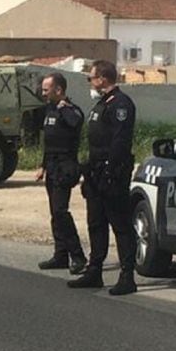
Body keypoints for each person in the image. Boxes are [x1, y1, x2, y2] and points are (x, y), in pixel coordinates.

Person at [67, 59, 138, 295]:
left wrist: (110, 170)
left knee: (120, 224)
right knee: (96, 222)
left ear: (103, 79)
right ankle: (94, 270)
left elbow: (119, 141)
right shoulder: (101, 104)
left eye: (92, 77)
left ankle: (127, 275)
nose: (90, 82)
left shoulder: (121, 104)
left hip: (113, 173)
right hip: (95, 171)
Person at [35, 72, 88, 275]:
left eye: (47, 89)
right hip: (52, 166)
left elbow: (76, 123)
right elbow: (48, 142)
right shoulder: (49, 110)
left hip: (66, 167)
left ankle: (78, 256)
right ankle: (60, 255)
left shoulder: (70, 110)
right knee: (54, 214)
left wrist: (63, 107)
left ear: (59, 90)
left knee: (60, 211)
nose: (43, 92)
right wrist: (42, 166)